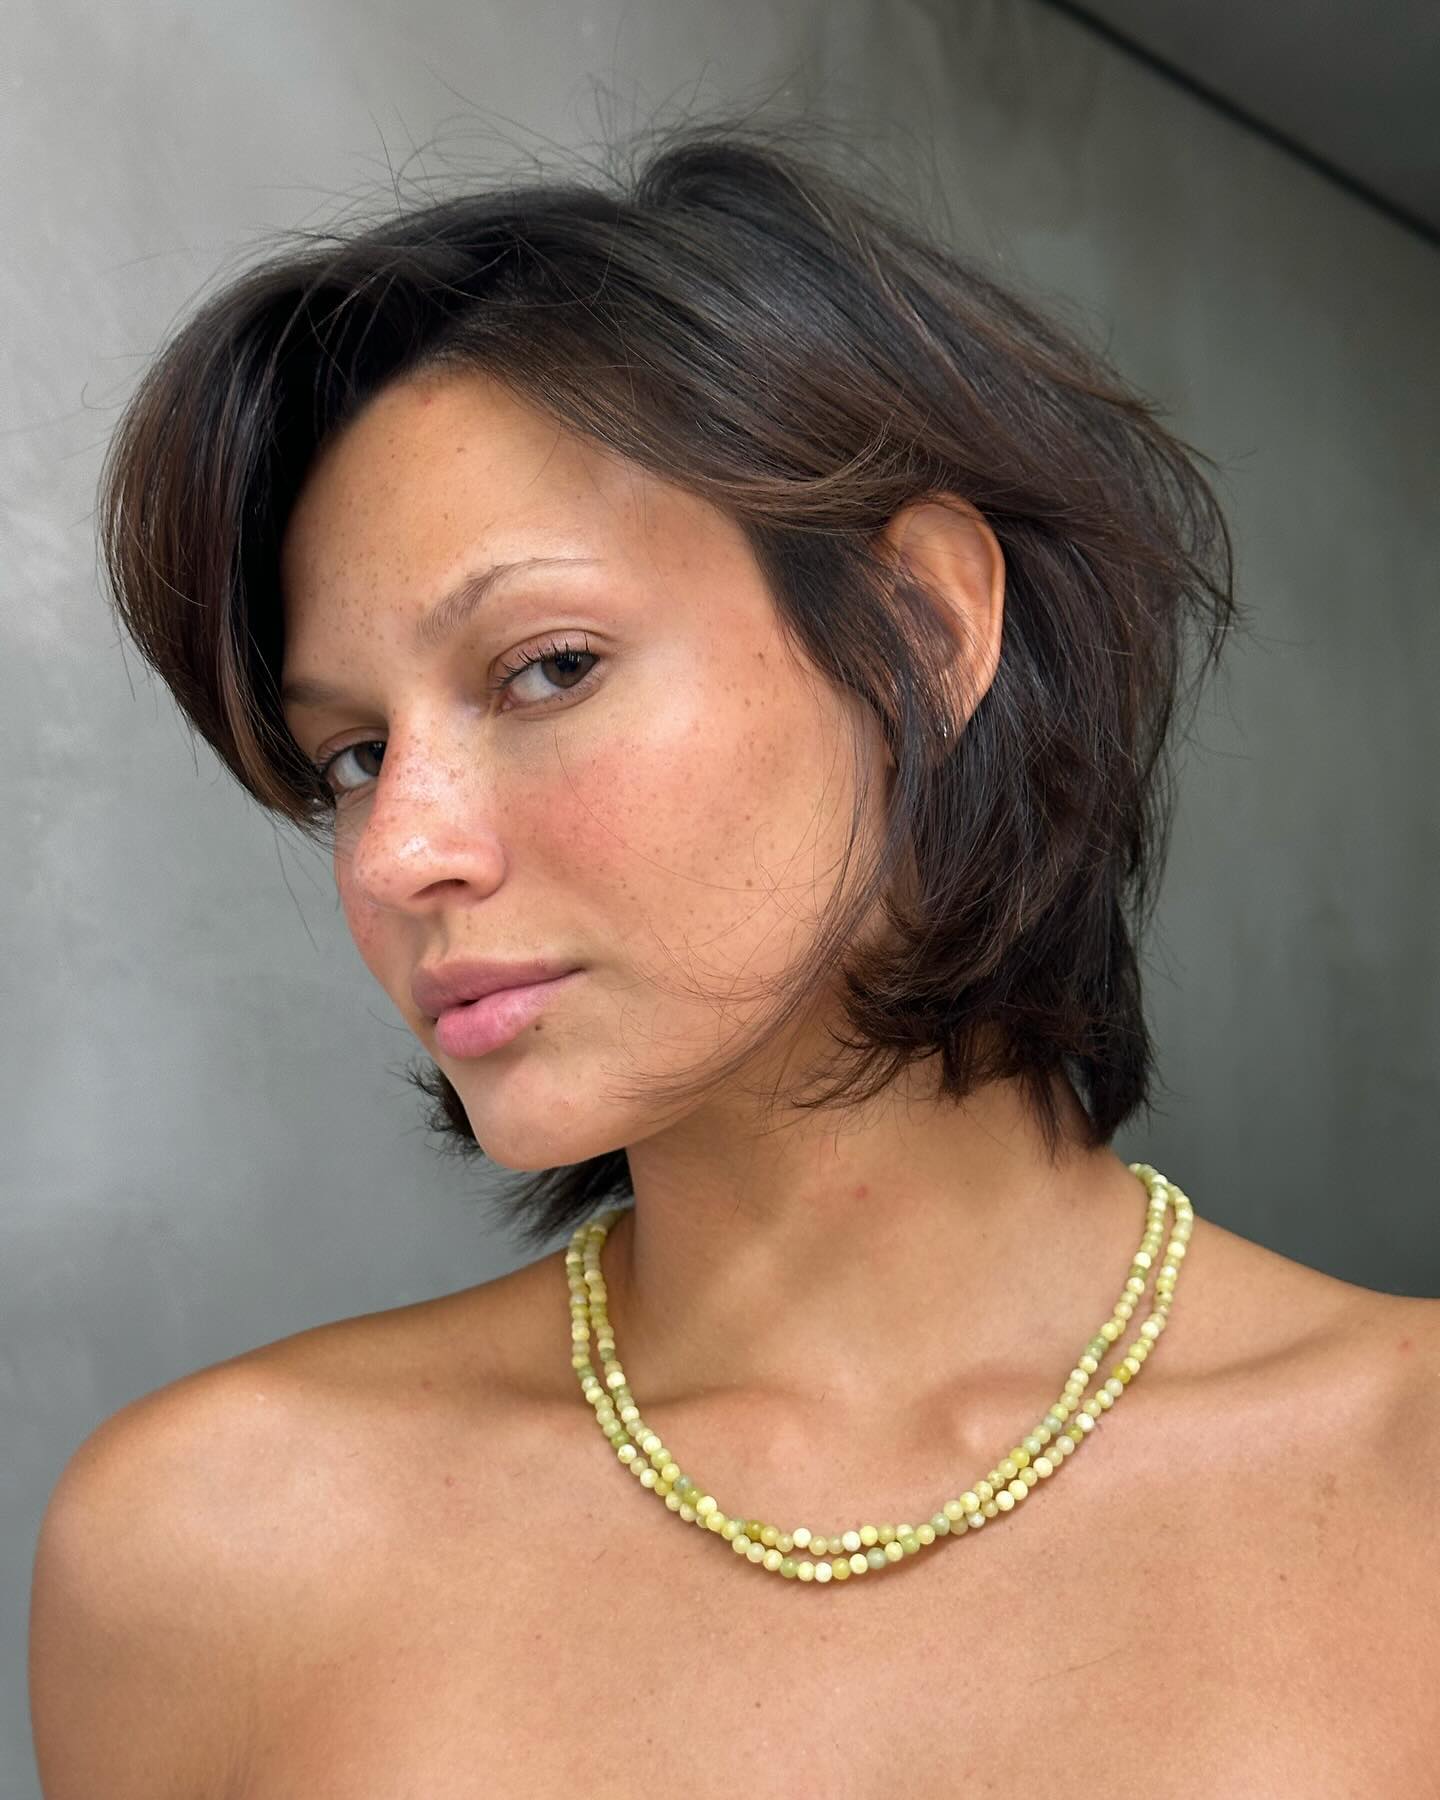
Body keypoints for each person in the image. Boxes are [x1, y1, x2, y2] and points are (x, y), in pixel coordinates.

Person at [29, 118, 1439, 1795]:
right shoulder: (206, 1552)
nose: (401, 851)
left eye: (548, 668)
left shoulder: (1405, 1481)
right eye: (353, 756)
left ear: (923, 626)